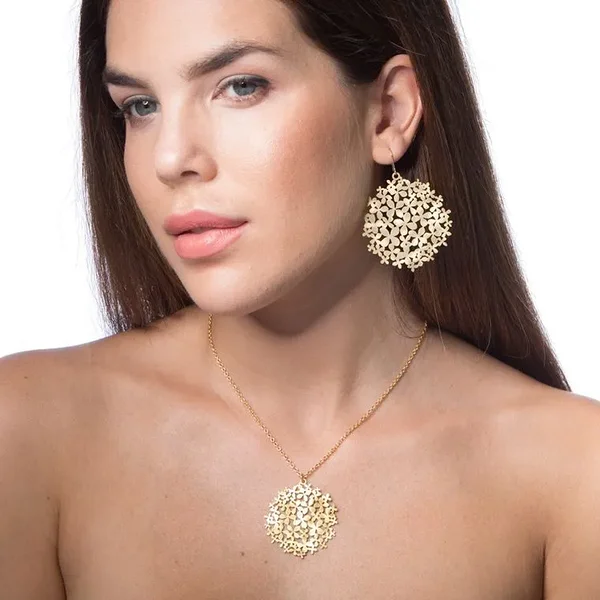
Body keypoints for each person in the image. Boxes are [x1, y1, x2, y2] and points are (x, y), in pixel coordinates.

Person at [1, 0, 599, 597]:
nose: (171, 159)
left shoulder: (571, 473)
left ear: (389, 112)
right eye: (141, 105)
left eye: (241, 87)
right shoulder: (29, 431)